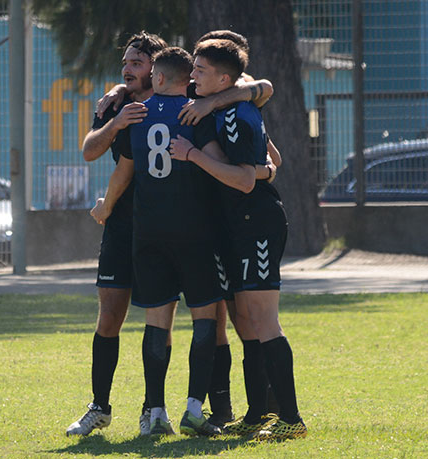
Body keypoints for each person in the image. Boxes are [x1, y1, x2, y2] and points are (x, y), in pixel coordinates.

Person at [169, 38, 308, 440]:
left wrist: (193, 155)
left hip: (256, 224)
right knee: (246, 322)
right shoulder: (220, 103)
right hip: (232, 228)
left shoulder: (235, 113)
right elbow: (271, 162)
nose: (193, 77)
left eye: (200, 70)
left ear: (224, 79)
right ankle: (257, 414)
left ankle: (291, 420)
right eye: (192, 69)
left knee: (264, 321)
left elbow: (248, 180)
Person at [91, 46, 227, 437]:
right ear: (189, 81)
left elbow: (124, 172)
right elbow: (216, 165)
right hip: (193, 231)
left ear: (159, 78)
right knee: (205, 316)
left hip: (147, 233)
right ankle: (194, 409)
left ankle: (155, 413)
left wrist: (106, 207)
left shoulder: (137, 117)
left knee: (156, 320)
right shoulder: (196, 114)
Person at [66, 31, 168, 437]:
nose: (127, 69)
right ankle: (99, 407)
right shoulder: (116, 103)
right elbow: (90, 150)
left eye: (137, 63)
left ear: (156, 70)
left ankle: (153, 409)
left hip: (164, 223)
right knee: (109, 317)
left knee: (159, 318)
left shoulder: (178, 96)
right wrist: (117, 120)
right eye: (125, 62)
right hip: (121, 224)